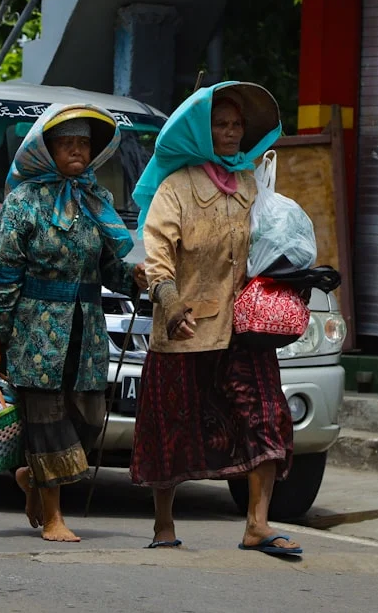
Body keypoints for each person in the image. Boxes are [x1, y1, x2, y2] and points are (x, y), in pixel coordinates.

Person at [129, 82, 303, 555]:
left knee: (266, 417)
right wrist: (168, 301)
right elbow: (158, 252)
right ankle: (164, 524)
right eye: (220, 125)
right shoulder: (177, 187)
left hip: (244, 330)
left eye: (236, 126)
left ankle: (257, 525)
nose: (230, 133)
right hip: (186, 329)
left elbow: (269, 243)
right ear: (202, 134)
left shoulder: (252, 183)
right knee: (170, 428)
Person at [0, 104, 148, 542]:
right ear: (47, 149)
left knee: (89, 417)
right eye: (67, 144)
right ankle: (53, 517)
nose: (77, 151)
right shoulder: (22, 203)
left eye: (84, 144)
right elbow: (6, 277)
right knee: (47, 421)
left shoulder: (98, 201)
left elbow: (109, 268)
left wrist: (133, 277)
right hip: (36, 332)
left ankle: (34, 480)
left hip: (86, 331)